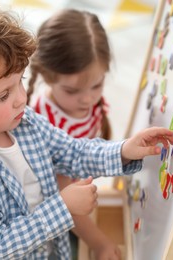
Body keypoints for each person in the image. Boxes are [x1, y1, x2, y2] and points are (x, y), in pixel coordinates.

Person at [0, 1, 173, 259]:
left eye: (20, 81)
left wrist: (123, 150)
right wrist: (62, 207)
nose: (21, 98)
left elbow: (73, 152)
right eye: (2, 96)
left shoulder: (24, 121)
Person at [27, 9, 120, 259]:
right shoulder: (45, 124)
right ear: (47, 75)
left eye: (97, 85)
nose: (88, 98)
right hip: (47, 213)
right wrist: (100, 243)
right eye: (72, 90)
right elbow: (60, 200)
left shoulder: (85, 102)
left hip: (76, 200)